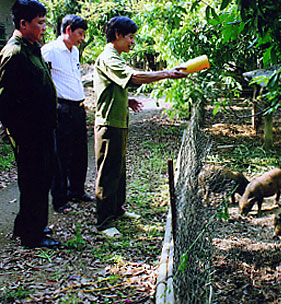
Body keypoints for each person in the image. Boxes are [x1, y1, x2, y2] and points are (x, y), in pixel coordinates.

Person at [93, 16, 187, 229]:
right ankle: (104, 222)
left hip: (118, 121)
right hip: (109, 124)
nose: (132, 42)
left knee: (118, 169)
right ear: (117, 35)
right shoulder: (109, 57)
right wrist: (166, 74)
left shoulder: (115, 56)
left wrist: (127, 99)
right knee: (108, 171)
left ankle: (117, 210)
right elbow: (133, 77)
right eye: (130, 37)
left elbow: (115, 85)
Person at [0, 0, 59, 248]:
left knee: (42, 177)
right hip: (29, 132)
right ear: (24, 24)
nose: (44, 27)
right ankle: (32, 236)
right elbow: (4, 98)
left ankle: (28, 225)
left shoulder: (32, 47)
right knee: (33, 179)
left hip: (42, 129)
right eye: (40, 22)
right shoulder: (14, 53)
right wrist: (18, 131)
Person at [42, 15, 94, 214]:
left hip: (78, 108)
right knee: (61, 155)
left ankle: (77, 191)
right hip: (61, 108)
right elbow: (43, 80)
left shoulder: (74, 52)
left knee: (79, 152)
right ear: (68, 30)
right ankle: (60, 198)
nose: (82, 38)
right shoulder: (50, 51)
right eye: (79, 34)